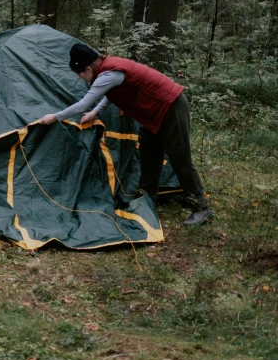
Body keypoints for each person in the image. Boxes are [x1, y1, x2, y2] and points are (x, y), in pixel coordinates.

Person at [37, 43, 212, 226]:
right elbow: (110, 94)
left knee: (180, 158)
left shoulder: (108, 74)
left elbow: (82, 104)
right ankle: (147, 200)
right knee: (149, 155)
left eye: (80, 74)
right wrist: (95, 112)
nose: (81, 78)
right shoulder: (107, 72)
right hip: (153, 114)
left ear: (88, 68)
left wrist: (55, 117)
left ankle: (201, 208)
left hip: (170, 106)